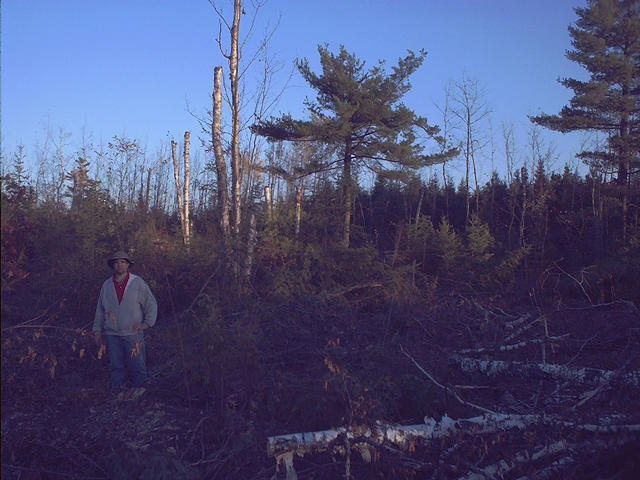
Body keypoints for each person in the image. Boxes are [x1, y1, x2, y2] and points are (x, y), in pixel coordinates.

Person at [93, 251, 157, 393]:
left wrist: (147, 323)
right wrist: (97, 330)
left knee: (137, 364)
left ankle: (140, 391)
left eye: (122, 262)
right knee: (116, 365)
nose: (119, 265)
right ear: (113, 265)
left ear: (128, 264)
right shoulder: (107, 285)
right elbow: (100, 309)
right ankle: (118, 392)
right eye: (116, 262)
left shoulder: (137, 282)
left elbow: (151, 303)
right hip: (112, 333)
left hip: (133, 332)